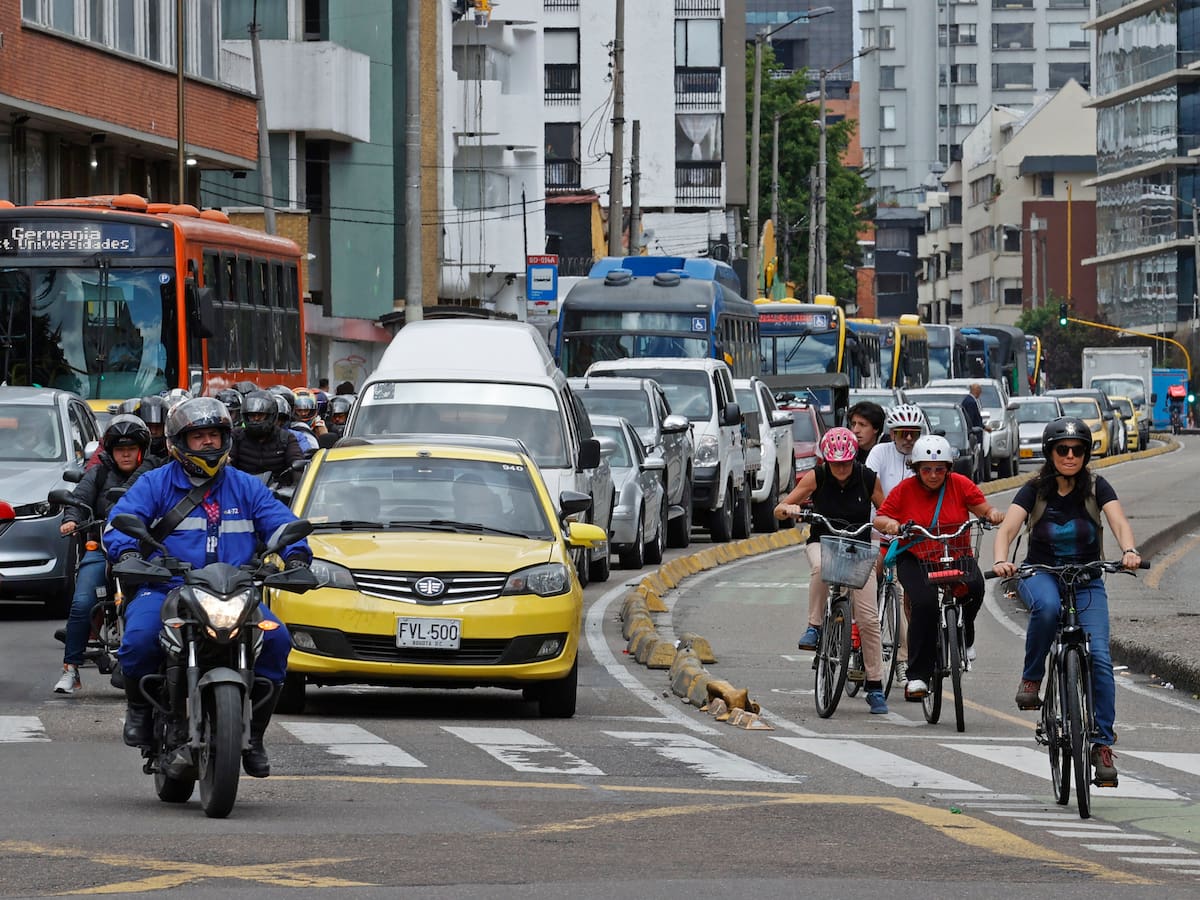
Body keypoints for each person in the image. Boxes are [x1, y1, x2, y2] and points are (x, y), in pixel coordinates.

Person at [104, 398, 310, 778]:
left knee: (278, 639)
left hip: (235, 591)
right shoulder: (155, 483)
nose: (208, 443)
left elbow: (281, 523)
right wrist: (130, 552)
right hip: (167, 587)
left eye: (214, 435)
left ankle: (256, 734)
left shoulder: (246, 487)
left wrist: (296, 557)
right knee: (139, 638)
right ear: (177, 443)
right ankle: (139, 711)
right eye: (198, 437)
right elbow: (121, 521)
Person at [991, 417, 1141, 786]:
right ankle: (1031, 680)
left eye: (1078, 450)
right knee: (1048, 609)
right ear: (1050, 453)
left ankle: (1101, 745)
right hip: (1040, 573)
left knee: (1102, 660)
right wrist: (1000, 559)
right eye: (1063, 449)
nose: (1070, 456)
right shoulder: (1034, 489)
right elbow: (1008, 528)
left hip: (1087, 578)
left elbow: (1118, 521)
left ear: (1086, 454)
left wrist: (1129, 550)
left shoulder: (1096, 486)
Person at [873, 435, 1005, 702]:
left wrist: (991, 515)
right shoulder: (904, 490)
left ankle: (965, 636)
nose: (933, 475)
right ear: (916, 469)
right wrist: (892, 526)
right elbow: (881, 517)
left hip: (954, 553)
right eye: (926, 469)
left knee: (976, 587)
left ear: (948, 469)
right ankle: (917, 676)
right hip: (915, 557)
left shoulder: (960, 485)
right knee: (924, 605)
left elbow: (983, 508)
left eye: (939, 469)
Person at [778, 427, 890, 714]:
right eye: (834, 462)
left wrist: (890, 524)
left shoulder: (867, 478)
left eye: (845, 462)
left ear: (854, 458)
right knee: (820, 567)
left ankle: (875, 686)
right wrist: (789, 510)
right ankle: (814, 627)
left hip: (857, 549)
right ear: (826, 460)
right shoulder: (819, 476)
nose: (840, 468)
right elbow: (783, 505)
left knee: (867, 620)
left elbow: (886, 510)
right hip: (823, 542)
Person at [53, 415, 153, 694]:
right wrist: (72, 518)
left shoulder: (155, 473)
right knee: (82, 601)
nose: (125, 453)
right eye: (119, 448)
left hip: (145, 553)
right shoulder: (98, 473)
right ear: (109, 451)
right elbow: (79, 497)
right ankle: (70, 669)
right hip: (103, 549)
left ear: (141, 450)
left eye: (131, 448)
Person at [229, 390, 303, 485]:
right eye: (252, 415)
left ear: (271, 415)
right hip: (242, 489)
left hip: (277, 492)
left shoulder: (285, 438)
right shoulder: (236, 436)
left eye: (260, 415)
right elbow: (228, 463)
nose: (256, 419)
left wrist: (295, 486)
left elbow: (297, 462)